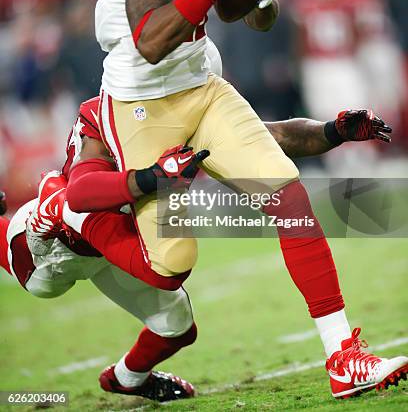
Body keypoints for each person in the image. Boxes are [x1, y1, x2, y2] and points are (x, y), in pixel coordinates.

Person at [93, 0, 407, 399]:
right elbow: (151, 41)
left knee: (288, 193)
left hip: (204, 85)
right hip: (141, 101)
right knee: (170, 267)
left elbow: (246, 18)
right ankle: (121, 349)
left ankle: (344, 355)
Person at [1, 95, 392, 402]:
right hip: (61, 240)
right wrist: (155, 179)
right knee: (51, 275)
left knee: (177, 328)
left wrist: (332, 131)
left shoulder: (180, 101)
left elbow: (267, 137)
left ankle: (125, 379)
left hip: (120, 238)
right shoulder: (109, 114)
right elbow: (78, 197)